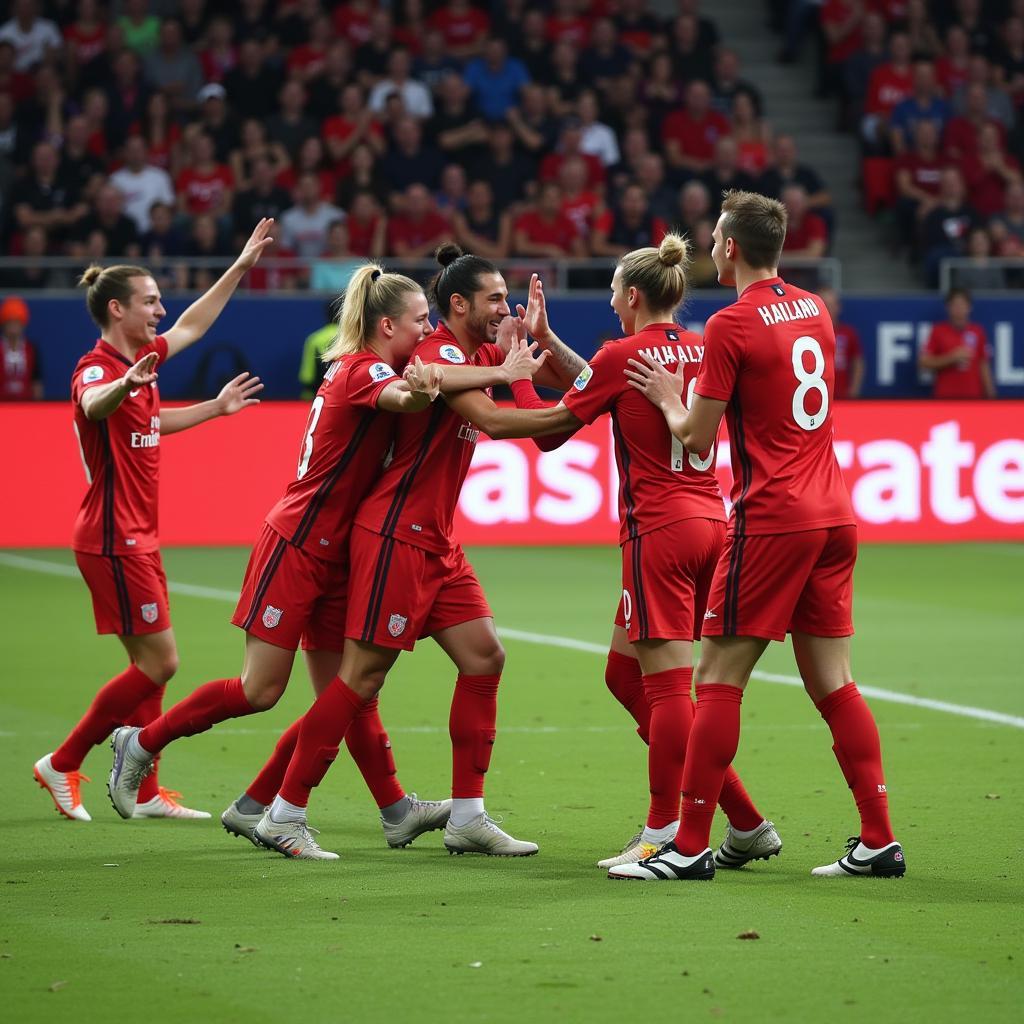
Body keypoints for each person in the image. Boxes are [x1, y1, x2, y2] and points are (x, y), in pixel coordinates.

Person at [105, 258, 539, 858]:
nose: (426, 331)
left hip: (340, 549)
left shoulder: (397, 361)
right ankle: (145, 742)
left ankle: (299, 806)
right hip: (301, 543)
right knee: (263, 690)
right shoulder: (360, 370)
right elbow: (409, 393)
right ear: (388, 326)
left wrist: (448, 376)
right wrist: (428, 381)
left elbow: (420, 385)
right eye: (418, 321)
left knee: (351, 687)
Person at [454, 246, 781, 872]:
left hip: (658, 534)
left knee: (666, 691)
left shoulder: (621, 355)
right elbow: (610, 377)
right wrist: (551, 343)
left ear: (632, 295)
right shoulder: (698, 350)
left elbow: (548, 432)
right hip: (713, 521)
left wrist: (522, 367)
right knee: (624, 677)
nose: (608, 298)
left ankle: (666, 831)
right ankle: (744, 820)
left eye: (611, 289)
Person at [611, 190, 904, 881]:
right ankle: (878, 837)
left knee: (714, 680)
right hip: (835, 512)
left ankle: (687, 847)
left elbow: (696, 433)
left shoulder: (731, 325)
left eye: (715, 238)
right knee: (836, 683)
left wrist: (665, 396)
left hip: (773, 517)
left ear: (732, 248)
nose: (711, 248)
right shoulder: (815, 310)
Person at [251, 246, 570, 859]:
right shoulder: (433, 354)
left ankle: (468, 817)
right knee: (359, 679)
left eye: (508, 297)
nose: (505, 308)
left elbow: (564, 383)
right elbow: (497, 422)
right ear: (460, 304)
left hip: (439, 541)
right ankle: (283, 814)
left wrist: (544, 343)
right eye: (495, 299)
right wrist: (545, 388)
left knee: (483, 658)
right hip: (396, 533)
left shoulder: (476, 351)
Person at [32, 220, 273, 823]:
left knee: (153, 663)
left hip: (139, 535)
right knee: (159, 663)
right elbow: (94, 403)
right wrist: (122, 384)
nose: (163, 310)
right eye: (150, 301)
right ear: (117, 308)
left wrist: (214, 407)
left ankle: (141, 791)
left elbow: (191, 329)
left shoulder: (142, 359)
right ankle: (62, 763)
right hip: (112, 539)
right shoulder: (96, 368)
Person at [919, 288, 996, 399]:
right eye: (955, 305)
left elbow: (983, 364)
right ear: (948, 307)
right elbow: (923, 362)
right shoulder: (938, 331)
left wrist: (991, 394)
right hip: (945, 397)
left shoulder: (978, 331)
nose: (959, 309)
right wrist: (951, 358)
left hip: (973, 397)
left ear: (969, 307)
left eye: (962, 305)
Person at [819, 287, 863, 399]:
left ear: (838, 307)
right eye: (824, 305)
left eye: (831, 305)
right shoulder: (807, 334)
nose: (828, 309)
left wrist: (854, 389)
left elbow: (857, 362)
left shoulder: (848, 333)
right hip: (818, 396)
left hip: (843, 395)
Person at [0, 296, 42, 399]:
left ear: (23, 324)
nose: (13, 327)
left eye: (17, 322)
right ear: (4, 324)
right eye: (10, 322)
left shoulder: (31, 349)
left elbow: (36, 382)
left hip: (25, 405)